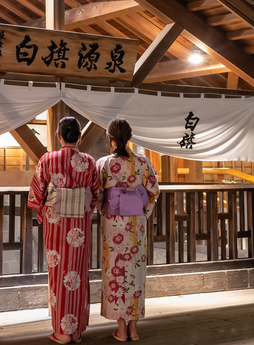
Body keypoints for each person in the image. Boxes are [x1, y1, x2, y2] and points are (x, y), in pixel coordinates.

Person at [27, 116, 102, 344]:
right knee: (77, 275)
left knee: (59, 276)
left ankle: (62, 332)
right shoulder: (89, 161)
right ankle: (76, 330)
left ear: (59, 136)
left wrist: (42, 208)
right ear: (79, 136)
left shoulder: (47, 160)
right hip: (79, 226)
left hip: (56, 226)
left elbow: (36, 194)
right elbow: (96, 195)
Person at [97, 118, 160, 342]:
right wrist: (144, 213)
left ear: (111, 139)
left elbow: (97, 195)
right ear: (129, 137)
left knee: (115, 272)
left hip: (113, 224)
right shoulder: (143, 162)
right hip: (135, 224)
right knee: (135, 272)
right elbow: (154, 191)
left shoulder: (104, 163)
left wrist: (103, 211)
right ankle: (133, 330)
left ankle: (121, 329)